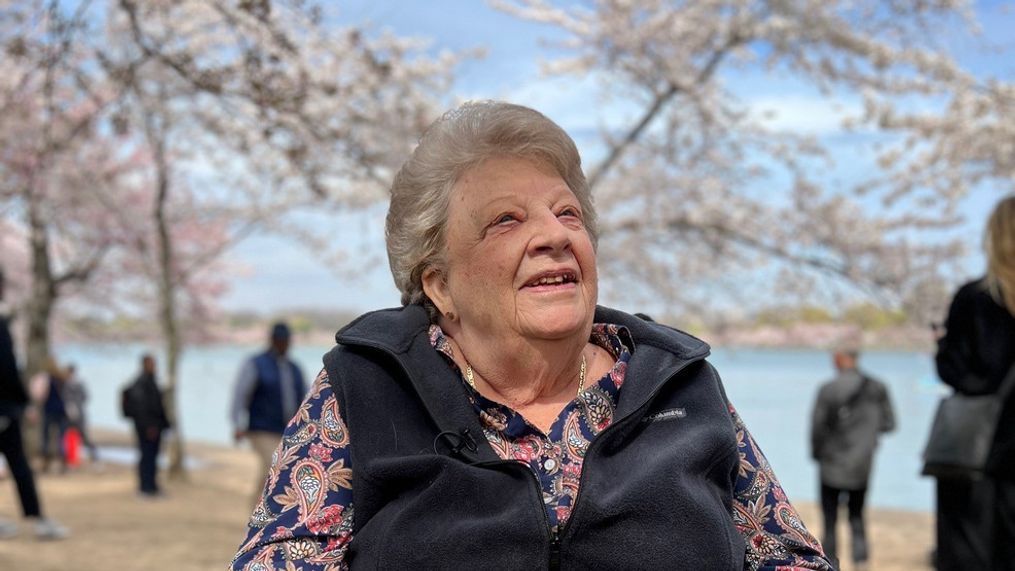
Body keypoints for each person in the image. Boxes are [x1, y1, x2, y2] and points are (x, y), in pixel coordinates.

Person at [229, 101, 834, 569]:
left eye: (567, 213)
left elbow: (790, 557)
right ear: (439, 285)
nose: (554, 235)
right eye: (506, 221)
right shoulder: (362, 385)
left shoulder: (680, 382)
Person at [935, 194, 1015, 571]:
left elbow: (957, 373)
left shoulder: (973, 299)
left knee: (968, 554)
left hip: (975, 455)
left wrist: (942, 348)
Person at [810, 347, 895, 569]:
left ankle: (829, 563)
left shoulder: (828, 389)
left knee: (830, 519)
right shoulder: (878, 387)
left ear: (839, 359)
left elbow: (817, 428)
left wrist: (816, 453)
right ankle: (861, 562)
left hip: (831, 464)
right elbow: (889, 424)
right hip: (862, 463)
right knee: (857, 515)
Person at [0, 267, 68, 539]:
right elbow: (6, 368)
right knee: (19, 465)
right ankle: (38, 519)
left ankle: (37, 518)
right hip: (3, 410)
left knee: (18, 465)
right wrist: (23, 402)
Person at [229, 322, 306, 504]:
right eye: (280, 340)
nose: (283, 344)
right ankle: (258, 514)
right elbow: (240, 394)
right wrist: (237, 424)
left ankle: (263, 512)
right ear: (272, 340)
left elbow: (305, 399)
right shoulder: (256, 364)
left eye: (286, 341)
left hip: (288, 430)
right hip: (261, 428)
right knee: (274, 467)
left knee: (280, 471)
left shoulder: (294, 368)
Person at [123, 353, 170, 497]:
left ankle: (152, 486)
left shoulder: (150, 381)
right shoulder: (142, 383)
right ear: (145, 365)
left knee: (152, 456)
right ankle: (146, 487)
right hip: (148, 428)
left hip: (152, 426)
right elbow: (144, 408)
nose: (155, 366)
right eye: (152, 364)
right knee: (147, 456)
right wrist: (149, 426)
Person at [33, 358, 70, 473]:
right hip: (62, 410)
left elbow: (40, 395)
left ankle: (45, 461)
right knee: (61, 437)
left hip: (49, 410)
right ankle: (63, 461)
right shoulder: (61, 378)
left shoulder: (45, 379)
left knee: (46, 436)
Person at [64, 364, 98, 462]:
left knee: (84, 436)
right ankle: (70, 458)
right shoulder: (65, 384)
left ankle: (94, 456)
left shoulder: (79, 384)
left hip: (79, 414)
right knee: (67, 436)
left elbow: (85, 397)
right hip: (67, 415)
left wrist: (77, 406)